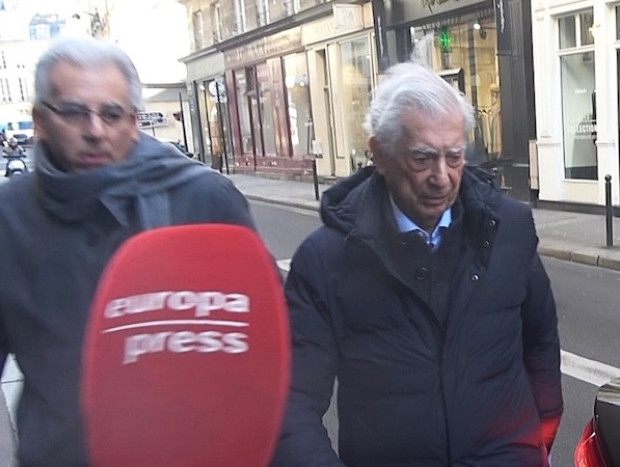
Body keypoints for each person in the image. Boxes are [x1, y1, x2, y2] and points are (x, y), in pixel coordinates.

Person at [271, 62, 563, 467]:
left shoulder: (508, 228)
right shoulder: (326, 259)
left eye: (454, 156)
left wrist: (537, 440)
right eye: (422, 159)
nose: (442, 177)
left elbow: (541, 336)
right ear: (380, 155)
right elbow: (293, 402)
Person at [0, 36, 256, 466]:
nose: (95, 131)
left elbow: (258, 347)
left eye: (112, 114)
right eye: (74, 112)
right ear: (40, 121)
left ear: (134, 121)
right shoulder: (9, 218)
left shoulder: (204, 199)